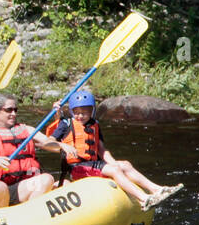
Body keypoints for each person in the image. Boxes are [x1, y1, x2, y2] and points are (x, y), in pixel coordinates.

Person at [50, 89, 182, 209]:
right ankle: (144, 199)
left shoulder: (95, 125)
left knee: (124, 164)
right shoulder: (65, 124)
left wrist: (113, 163)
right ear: (72, 112)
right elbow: (49, 142)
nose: (80, 116)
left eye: (84, 113)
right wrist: (63, 144)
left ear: (92, 112)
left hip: (93, 164)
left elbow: (101, 150)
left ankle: (156, 189)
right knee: (114, 170)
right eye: (77, 113)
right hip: (77, 168)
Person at [0, 93, 68, 205]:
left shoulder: (26, 130)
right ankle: (29, 214)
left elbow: (51, 144)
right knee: (46, 179)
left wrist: (58, 116)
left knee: (66, 184)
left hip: (27, 185)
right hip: (4, 192)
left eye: (15, 110)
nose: (13, 114)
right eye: (9, 110)